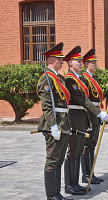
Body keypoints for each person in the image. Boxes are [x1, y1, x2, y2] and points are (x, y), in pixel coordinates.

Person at [64, 46, 108, 195]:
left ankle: (75, 183)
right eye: (77, 60)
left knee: (77, 151)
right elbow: (82, 99)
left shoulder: (79, 78)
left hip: (83, 117)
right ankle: (70, 184)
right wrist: (97, 113)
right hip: (76, 118)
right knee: (73, 152)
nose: (80, 63)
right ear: (70, 62)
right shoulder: (70, 80)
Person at [37, 42, 72, 200]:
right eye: (59, 59)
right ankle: (51, 195)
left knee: (59, 160)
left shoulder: (59, 77)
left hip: (63, 123)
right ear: (50, 60)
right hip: (54, 124)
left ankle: (57, 193)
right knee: (52, 160)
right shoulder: (47, 79)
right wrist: (53, 126)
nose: (62, 61)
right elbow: (47, 106)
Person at [81, 48, 104, 185]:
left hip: (95, 112)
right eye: (93, 63)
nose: (95, 65)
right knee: (87, 145)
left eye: (95, 62)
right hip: (90, 114)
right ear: (86, 64)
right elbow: (86, 100)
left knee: (92, 144)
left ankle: (91, 173)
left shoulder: (92, 78)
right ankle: (86, 174)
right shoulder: (84, 78)